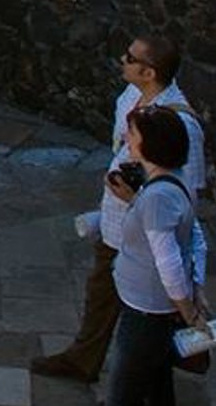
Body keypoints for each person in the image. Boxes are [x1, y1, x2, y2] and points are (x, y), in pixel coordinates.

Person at [34, 30, 206, 384]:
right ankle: (84, 360)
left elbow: (185, 193)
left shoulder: (180, 124)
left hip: (146, 233)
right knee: (101, 293)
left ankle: (137, 389)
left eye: (130, 58)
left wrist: (137, 200)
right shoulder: (130, 96)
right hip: (117, 225)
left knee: (143, 319)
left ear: (149, 72)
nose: (122, 61)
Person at [105, 107, 207, 406]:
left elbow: (168, 262)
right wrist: (196, 290)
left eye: (133, 134)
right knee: (158, 386)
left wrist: (189, 311)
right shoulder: (175, 182)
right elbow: (195, 239)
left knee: (123, 400)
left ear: (150, 144)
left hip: (146, 312)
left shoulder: (158, 197)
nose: (127, 138)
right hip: (158, 310)